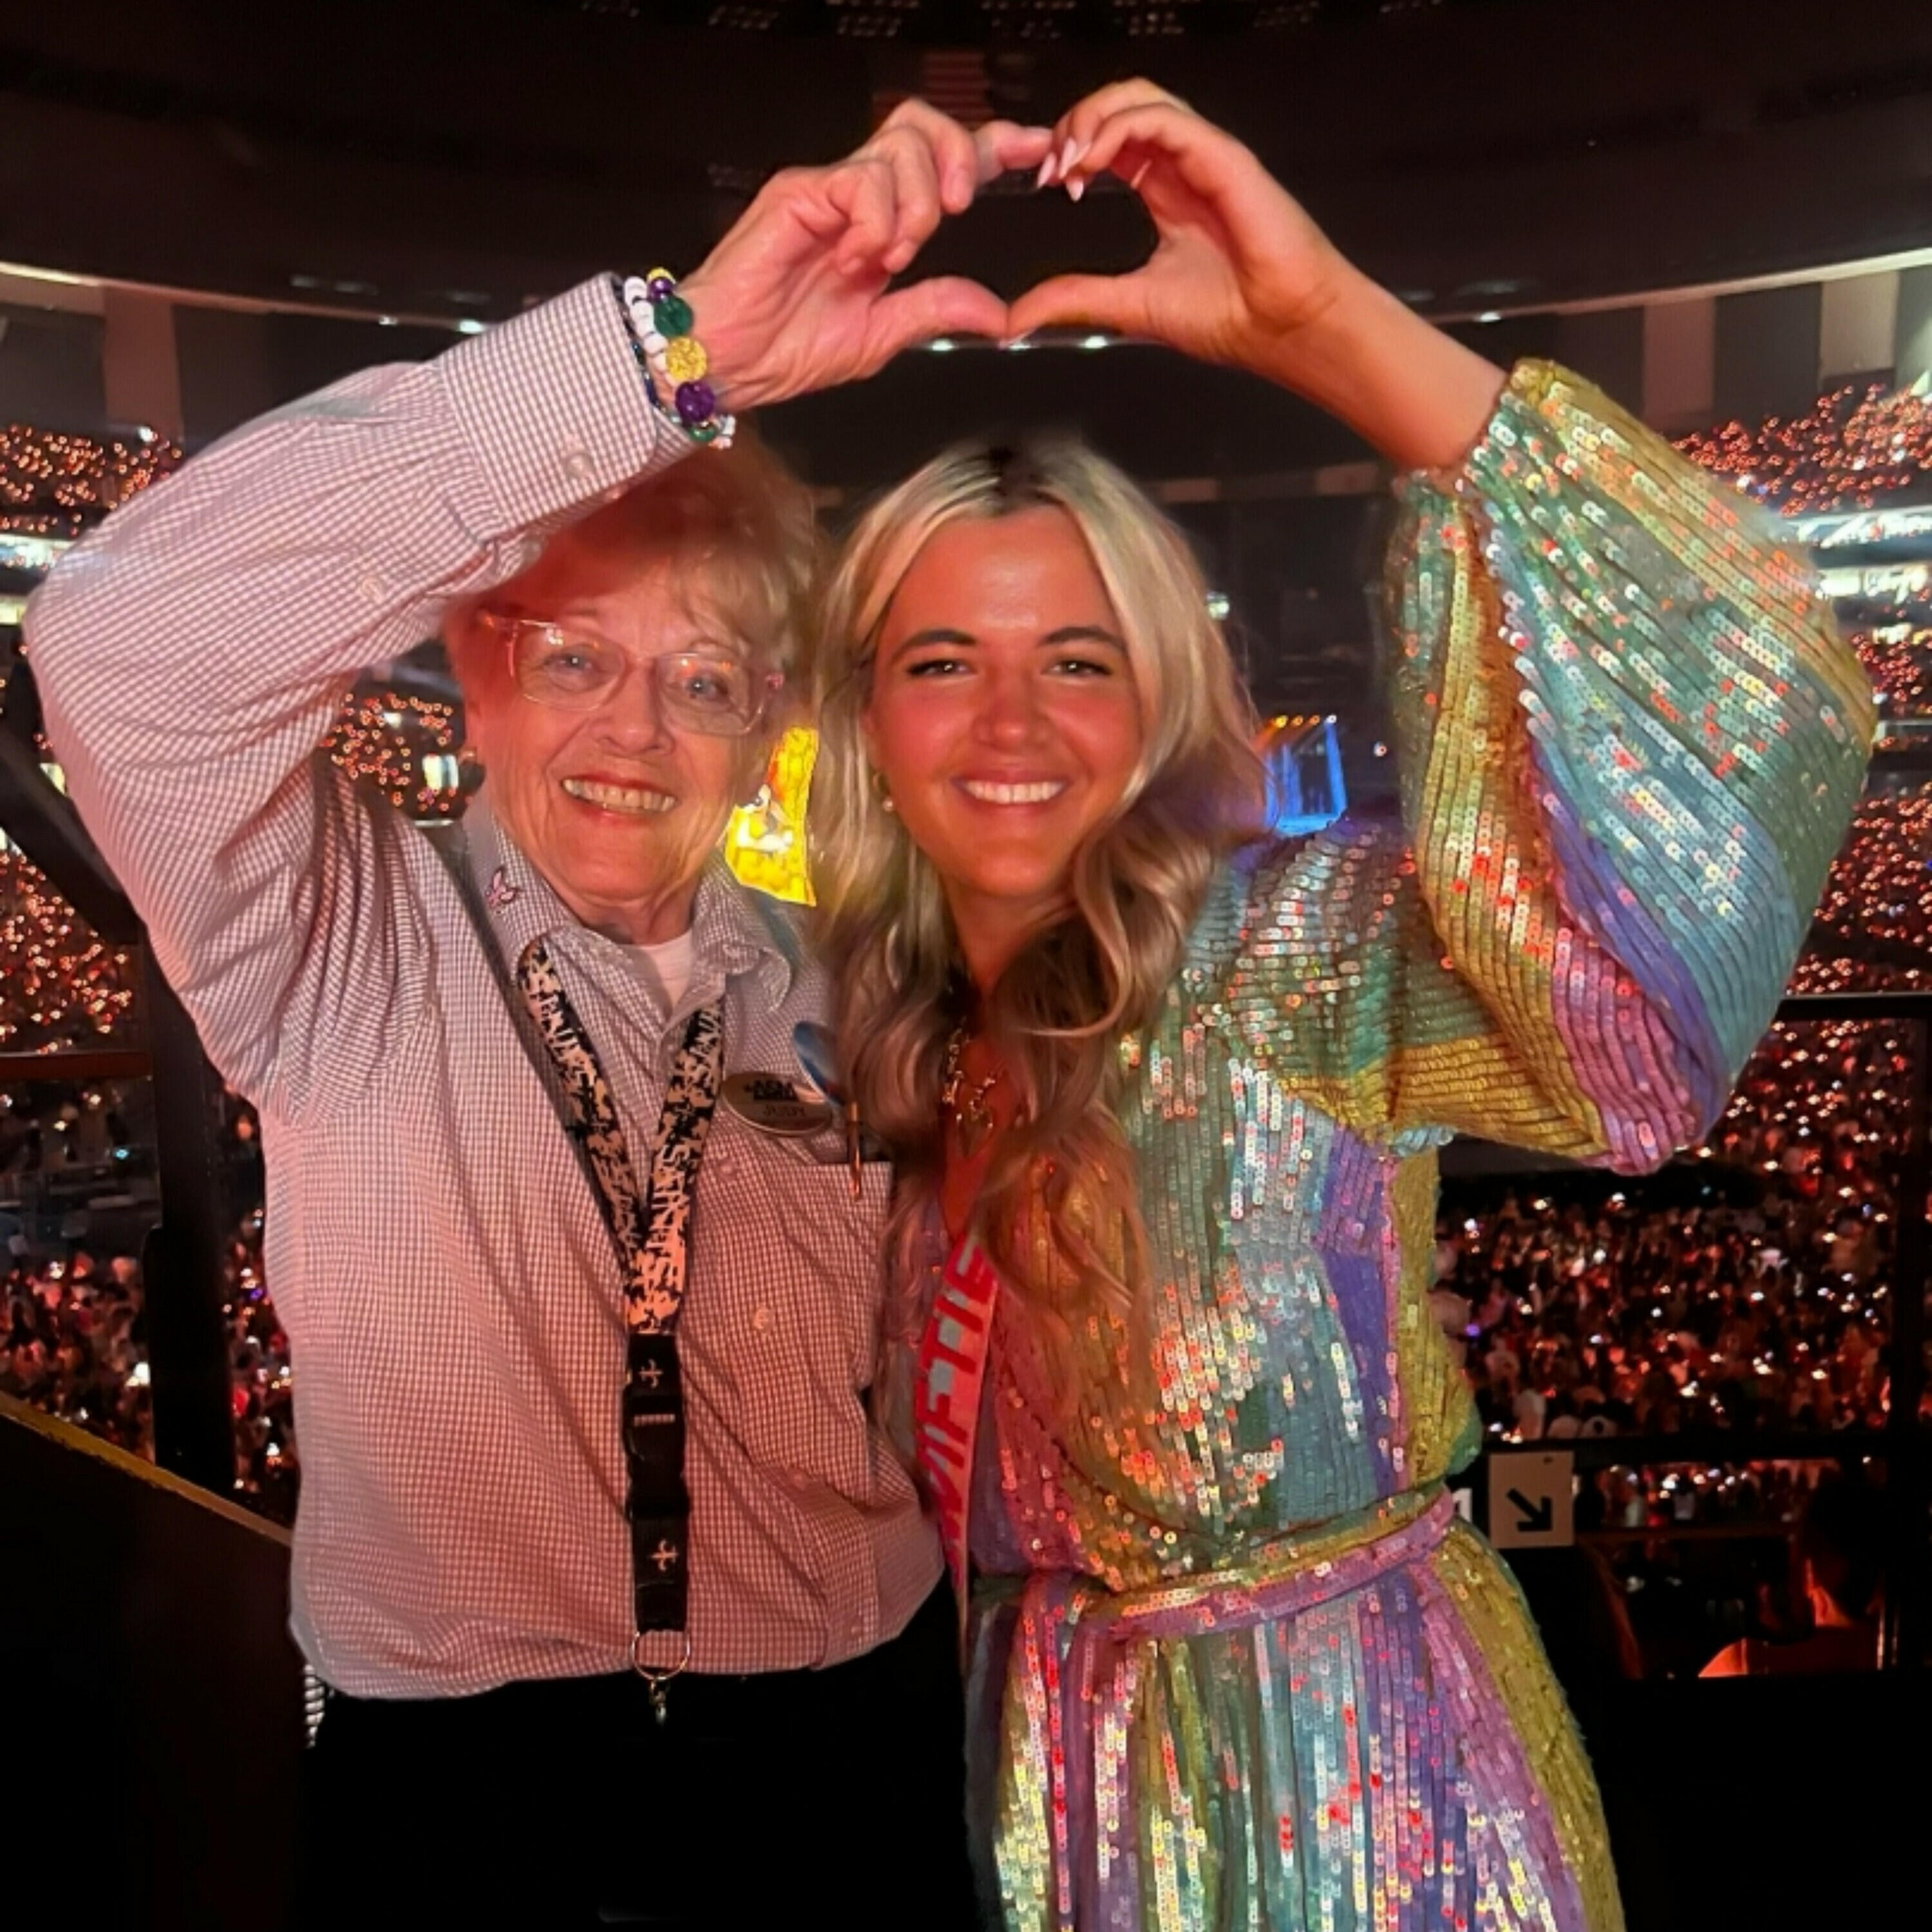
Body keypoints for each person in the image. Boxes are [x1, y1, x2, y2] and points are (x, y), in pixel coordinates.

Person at [810, 81, 1874, 1931]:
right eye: (943, 661)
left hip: (1361, 1790)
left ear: (1157, 698)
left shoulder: (1278, 951)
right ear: (868, 721)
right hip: (1051, 1789)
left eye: (1080, 660)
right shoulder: (894, 1044)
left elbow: (1643, 1007)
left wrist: (1332, 333)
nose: (1011, 723)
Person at [28, 100, 1054, 1928]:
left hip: (840, 1742)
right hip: (465, 1784)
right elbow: (121, 649)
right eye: (572, 655)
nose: (632, 731)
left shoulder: (855, 985)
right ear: (477, 676)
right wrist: (663, 359)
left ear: (761, 727)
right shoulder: (347, 936)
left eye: (702, 678)